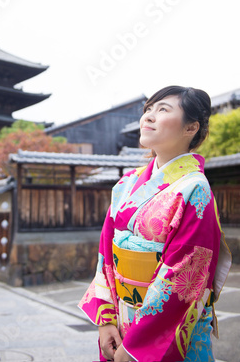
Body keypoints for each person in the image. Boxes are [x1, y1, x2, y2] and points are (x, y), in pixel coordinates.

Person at [78, 86, 232, 362]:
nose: (148, 116)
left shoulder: (195, 189)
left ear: (191, 128)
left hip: (161, 329)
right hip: (121, 319)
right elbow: (106, 255)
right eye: (148, 109)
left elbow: (183, 276)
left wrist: (136, 345)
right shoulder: (126, 184)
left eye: (162, 110)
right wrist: (106, 319)